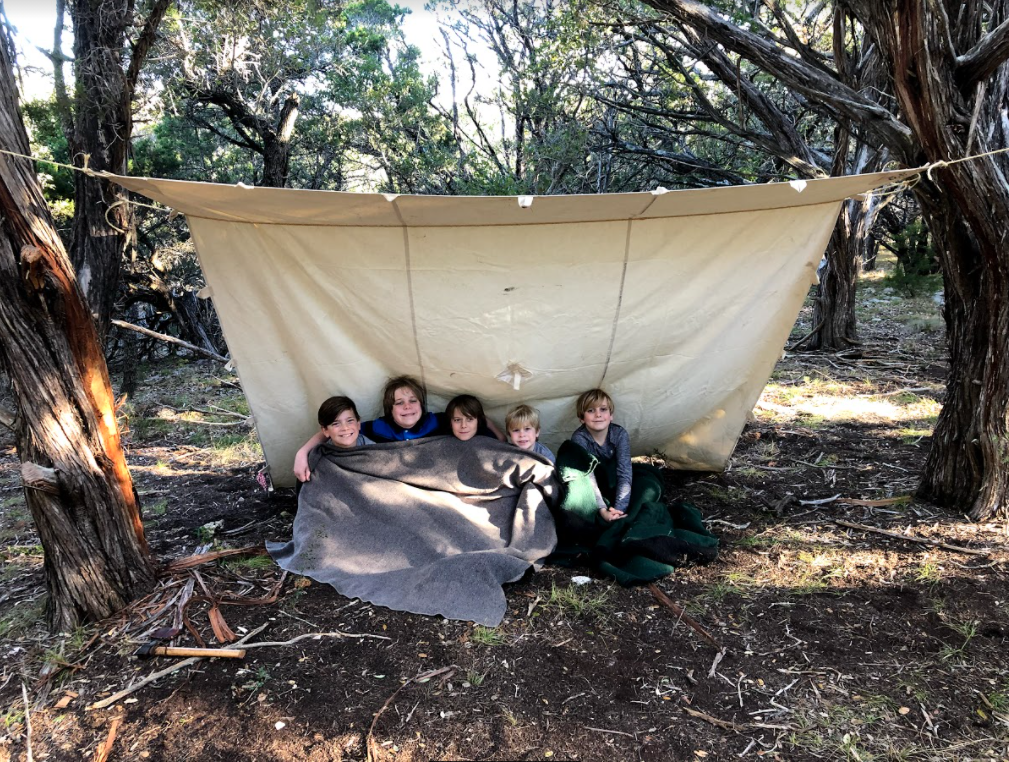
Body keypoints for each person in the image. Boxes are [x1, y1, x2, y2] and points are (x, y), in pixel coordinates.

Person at [293, 375, 443, 481]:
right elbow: (333, 432)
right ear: (389, 409)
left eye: (413, 400)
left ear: (422, 405)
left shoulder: (435, 421)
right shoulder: (378, 428)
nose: (407, 406)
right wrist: (302, 453)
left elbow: (464, 418)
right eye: (399, 403)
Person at [571, 389, 630, 522]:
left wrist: (619, 508)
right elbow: (588, 477)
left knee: (647, 485)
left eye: (603, 409)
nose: (598, 415)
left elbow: (624, 471)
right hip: (594, 483)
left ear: (611, 415)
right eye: (591, 410)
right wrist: (602, 510)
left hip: (614, 480)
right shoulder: (579, 438)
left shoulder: (619, 434)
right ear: (581, 418)